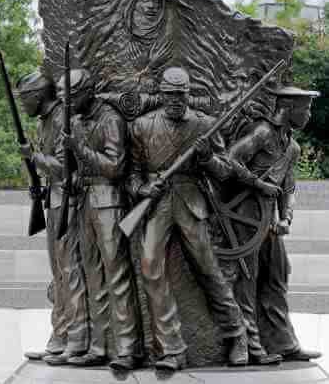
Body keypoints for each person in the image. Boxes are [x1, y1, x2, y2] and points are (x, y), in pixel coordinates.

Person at [127, 66, 280, 371]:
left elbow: (225, 171)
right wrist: (143, 187)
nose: (174, 101)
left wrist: (208, 157)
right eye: (169, 95)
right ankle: (172, 348)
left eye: (180, 95)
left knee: (208, 269)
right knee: (150, 268)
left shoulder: (205, 125)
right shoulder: (142, 126)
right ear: (161, 94)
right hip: (157, 203)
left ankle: (237, 336)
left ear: (188, 95)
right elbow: (131, 174)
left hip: (190, 200)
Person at [229, 85, 322, 362]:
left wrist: (286, 218)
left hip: (270, 221)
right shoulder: (262, 133)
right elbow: (231, 160)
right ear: (287, 108)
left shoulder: (291, 147)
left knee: (277, 278)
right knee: (247, 280)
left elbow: (289, 188)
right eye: (305, 109)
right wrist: (257, 183)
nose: (308, 115)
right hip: (245, 217)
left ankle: (283, 342)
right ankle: (253, 348)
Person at [60, 69, 143, 370]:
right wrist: (70, 173)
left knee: (116, 276)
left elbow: (114, 167)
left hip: (109, 202)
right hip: (84, 202)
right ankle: (100, 345)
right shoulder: (77, 122)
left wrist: (78, 149)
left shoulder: (111, 119)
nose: (67, 104)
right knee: (93, 277)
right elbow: (75, 166)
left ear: (87, 91)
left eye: (71, 96)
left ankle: (127, 349)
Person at [17, 71, 90, 364]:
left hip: (69, 204)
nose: (24, 105)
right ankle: (58, 338)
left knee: (71, 272)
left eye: (25, 100)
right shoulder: (44, 121)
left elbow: (62, 169)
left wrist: (33, 157)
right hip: (54, 201)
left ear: (38, 96)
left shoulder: (62, 119)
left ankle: (78, 339)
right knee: (59, 274)